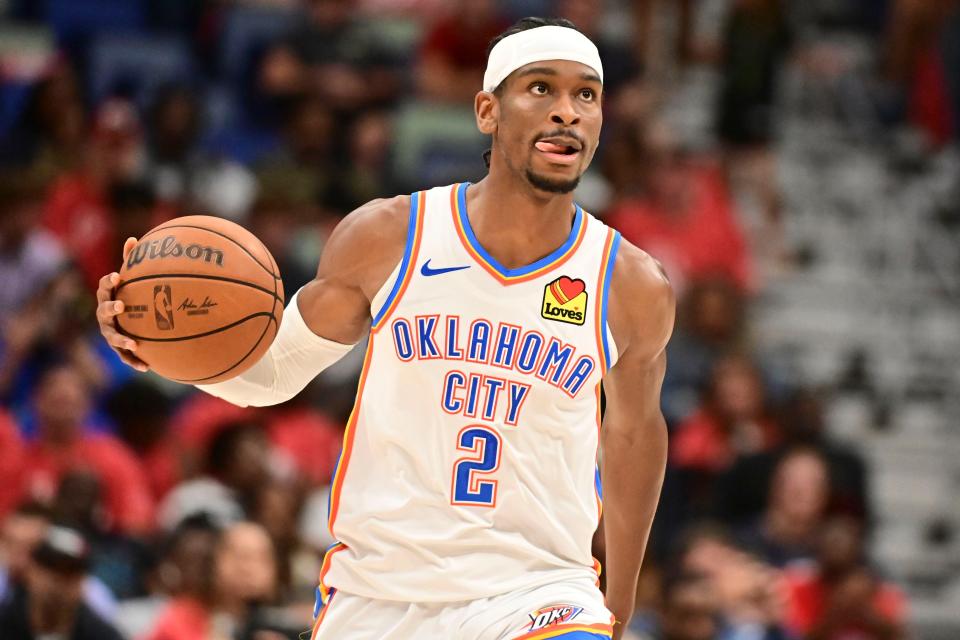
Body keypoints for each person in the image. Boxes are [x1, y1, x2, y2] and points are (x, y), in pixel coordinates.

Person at [97, 16, 675, 639]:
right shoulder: (390, 236)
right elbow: (275, 375)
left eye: (586, 95)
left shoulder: (631, 285)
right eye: (541, 88)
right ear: (487, 110)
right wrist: (160, 348)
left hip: (537, 591)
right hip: (380, 595)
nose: (568, 111)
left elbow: (634, 436)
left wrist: (617, 600)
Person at [0, 525, 126, 640]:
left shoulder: (102, 635)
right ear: (31, 570)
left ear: (82, 580)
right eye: (51, 568)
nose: (58, 581)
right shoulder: (5, 623)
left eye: (70, 573)